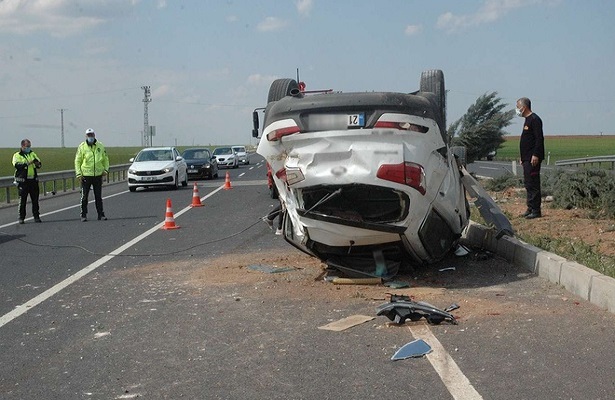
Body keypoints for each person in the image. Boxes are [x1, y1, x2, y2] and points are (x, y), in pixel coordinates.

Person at [517, 97, 545, 219]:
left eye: (518, 107)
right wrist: (522, 157)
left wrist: (536, 155)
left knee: (533, 183)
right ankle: (530, 207)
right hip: (526, 158)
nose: (517, 110)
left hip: (533, 158)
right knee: (528, 183)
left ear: (524, 107)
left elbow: (539, 139)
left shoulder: (534, 119)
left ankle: (536, 210)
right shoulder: (527, 120)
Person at [75, 128, 110, 222]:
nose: (90, 137)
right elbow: (77, 161)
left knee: (98, 196)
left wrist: (106, 170)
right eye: (88, 135)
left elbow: (105, 159)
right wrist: (79, 174)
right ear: (86, 136)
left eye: (92, 135)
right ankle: (83, 215)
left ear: (94, 135)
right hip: (86, 175)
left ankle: (101, 214)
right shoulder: (82, 147)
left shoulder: (100, 146)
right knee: (84, 197)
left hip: (98, 175)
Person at [12, 139, 42, 224]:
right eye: (27, 146)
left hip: (33, 180)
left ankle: (36, 216)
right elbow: (17, 165)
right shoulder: (17, 155)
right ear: (22, 146)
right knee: (23, 200)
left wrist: (37, 163)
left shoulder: (32, 154)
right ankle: (21, 217)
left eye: (29, 146)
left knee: (35, 199)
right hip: (23, 181)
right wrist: (28, 163)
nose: (29, 148)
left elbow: (39, 164)